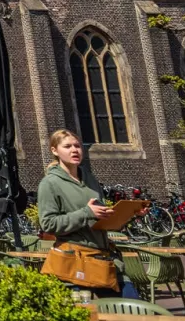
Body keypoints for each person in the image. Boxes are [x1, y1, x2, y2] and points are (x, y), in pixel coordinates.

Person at [37, 128, 138, 298]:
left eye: (77, 146)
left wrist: (131, 213)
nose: (74, 150)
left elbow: (100, 220)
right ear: (55, 151)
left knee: (135, 312)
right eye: (67, 146)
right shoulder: (50, 184)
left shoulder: (90, 179)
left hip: (105, 259)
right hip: (75, 262)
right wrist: (86, 212)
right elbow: (48, 224)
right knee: (89, 320)